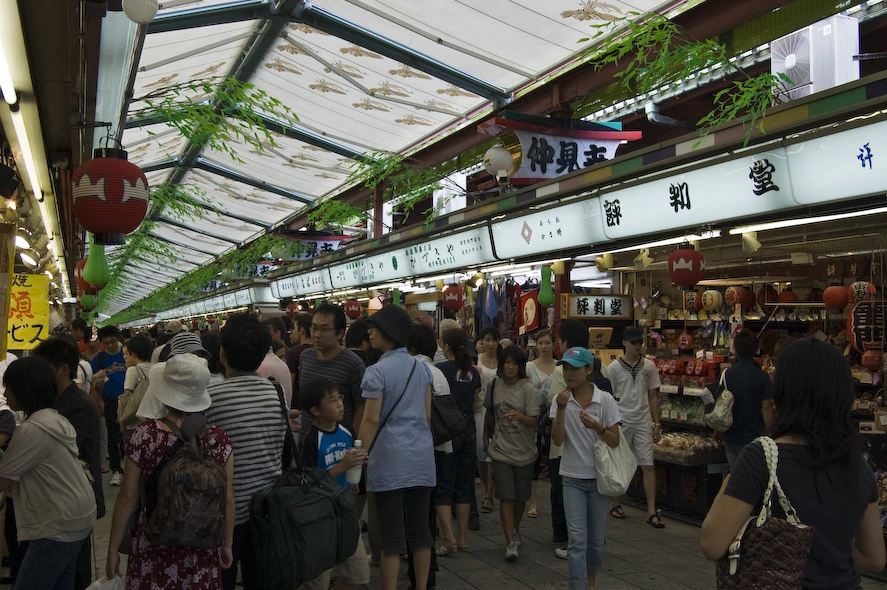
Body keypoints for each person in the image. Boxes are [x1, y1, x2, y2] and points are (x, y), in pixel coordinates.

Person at [701, 338, 886, 587]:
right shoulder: (857, 465)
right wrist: (828, 545)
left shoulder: (760, 458)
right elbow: (875, 560)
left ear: (784, 391)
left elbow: (712, 544)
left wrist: (727, 484)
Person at [106, 353, 235, 590]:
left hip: (153, 546)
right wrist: (227, 543)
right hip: (201, 551)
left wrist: (113, 549)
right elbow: (227, 498)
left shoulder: (144, 436)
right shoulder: (218, 439)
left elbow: (127, 498)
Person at [204, 313, 288, 590]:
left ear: (222, 353)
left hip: (222, 517)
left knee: (222, 581)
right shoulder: (277, 394)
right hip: (265, 510)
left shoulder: (211, 399)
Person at [0, 357, 97, 589]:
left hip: (58, 524)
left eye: (9, 387)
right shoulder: (54, 418)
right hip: (76, 515)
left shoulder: (32, 430)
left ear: (24, 389)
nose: (5, 394)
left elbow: (2, 480)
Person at [358, 305, 435, 590]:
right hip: (422, 459)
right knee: (419, 532)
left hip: (390, 460)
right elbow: (426, 417)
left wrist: (357, 460)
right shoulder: (423, 369)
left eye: (374, 328)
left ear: (387, 333)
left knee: (390, 538)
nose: (370, 332)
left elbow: (370, 421)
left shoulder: (376, 372)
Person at [33, 336, 106, 588]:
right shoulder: (57, 400)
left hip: (77, 497)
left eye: (43, 368)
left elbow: (64, 450)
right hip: (63, 498)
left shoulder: (79, 405)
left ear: (63, 369)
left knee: (77, 569)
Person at [551, 347, 623, 590]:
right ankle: (577, 585)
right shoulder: (561, 400)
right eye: (566, 368)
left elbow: (615, 440)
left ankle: (591, 581)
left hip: (599, 480)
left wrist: (598, 428)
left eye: (575, 368)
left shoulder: (605, 400)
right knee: (577, 540)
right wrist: (561, 410)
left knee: (595, 540)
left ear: (589, 370)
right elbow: (557, 440)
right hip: (571, 477)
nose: (569, 373)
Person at [299, 378, 370, 590]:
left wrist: (356, 464)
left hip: (346, 510)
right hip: (321, 517)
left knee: (357, 573)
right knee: (318, 579)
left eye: (340, 397)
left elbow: (349, 464)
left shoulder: (347, 430)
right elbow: (309, 483)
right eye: (332, 400)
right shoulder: (311, 440)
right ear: (315, 410)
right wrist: (342, 466)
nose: (340, 403)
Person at [483, 345, 539, 562]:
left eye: (514, 364)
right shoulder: (494, 384)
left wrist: (520, 418)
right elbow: (489, 413)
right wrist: (485, 438)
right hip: (501, 450)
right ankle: (509, 542)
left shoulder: (527, 389)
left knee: (520, 497)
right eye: (506, 362)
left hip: (524, 451)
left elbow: (534, 421)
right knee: (506, 496)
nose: (510, 367)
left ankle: (515, 530)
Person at [607, 326, 664, 528]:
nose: (637, 346)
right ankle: (616, 502)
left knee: (647, 464)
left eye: (639, 342)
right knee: (621, 462)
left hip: (642, 420)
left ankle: (651, 510)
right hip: (622, 419)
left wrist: (656, 422)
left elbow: (653, 395)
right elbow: (610, 397)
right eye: (633, 342)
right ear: (624, 343)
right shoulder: (613, 368)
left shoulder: (649, 366)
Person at [540, 319, 589, 546]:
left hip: (564, 444)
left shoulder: (562, 370)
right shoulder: (601, 366)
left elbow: (555, 402)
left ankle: (562, 536)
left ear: (566, 342)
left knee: (561, 491)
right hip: (590, 444)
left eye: (559, 340)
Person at [435, 327, 482, 554]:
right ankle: (462, 538)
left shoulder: (439, 370)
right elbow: (476, 403)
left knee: (444, 486)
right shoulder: (474, 372)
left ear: (445, 346)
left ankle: (449, 538)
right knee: (464, 487)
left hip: (447, 433)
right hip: (469, 430)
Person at [299, 303, 366, 441]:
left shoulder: (353, 364)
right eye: (314, 328)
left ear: (340, 333)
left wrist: (353, 440)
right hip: (307, 442)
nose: (317, 335)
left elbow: (361, 408)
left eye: (324, 329)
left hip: (338, 445)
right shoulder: (305, 357)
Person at [720, 328, 774, 468]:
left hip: (731, 436)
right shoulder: (762, 376)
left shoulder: (727, 374)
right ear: (756, 349)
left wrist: (717, 431)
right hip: (755, 437)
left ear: (735, 349)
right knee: (753, 480)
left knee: (735, 477)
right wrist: (771, 431)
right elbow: (766, 407)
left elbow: (721, 406)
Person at [526, 328, 556, 519]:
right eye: (541, 343)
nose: (544, 346)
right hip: (535, 418)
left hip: (555, 419)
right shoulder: (529, 367)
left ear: (554, 345)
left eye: (547, 343)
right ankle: (533, 501)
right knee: (534, 459)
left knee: (554, 459)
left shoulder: (561, 367)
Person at [92, 325, 127, 486]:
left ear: (118, 338)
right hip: (111, 400)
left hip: (129, 399)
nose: (110, 346)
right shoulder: (99, 359)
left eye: (113, 341)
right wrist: (96, 379)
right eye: (106, 343)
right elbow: (91, 381)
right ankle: (116, 469)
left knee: (128, 434)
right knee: (113, 436)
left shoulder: (128, 351)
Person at [475, 326, 501, 514]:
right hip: (479, 410)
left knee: (493, 454)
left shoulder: (504, 361)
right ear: (481, 342)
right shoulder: (476, 361)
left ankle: (489, 495)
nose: (491, 343)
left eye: (494, 340)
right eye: (487, 340)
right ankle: (487, 487)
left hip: (498, 412)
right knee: (480, 452)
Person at [119, 333, 154, 440]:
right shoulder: (155, 368)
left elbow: (127, 396)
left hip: (135, 423)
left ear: (133, 353)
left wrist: (122, 422)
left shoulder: (133, 370)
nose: (125, 357)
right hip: (152, 420)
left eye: (127, 354)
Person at [285, 313, 312, 404]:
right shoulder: (320, 351)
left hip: (298, 405)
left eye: (294, 329)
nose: (292, 332)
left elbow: (290, 384)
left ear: (301, 331)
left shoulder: (294, 354)